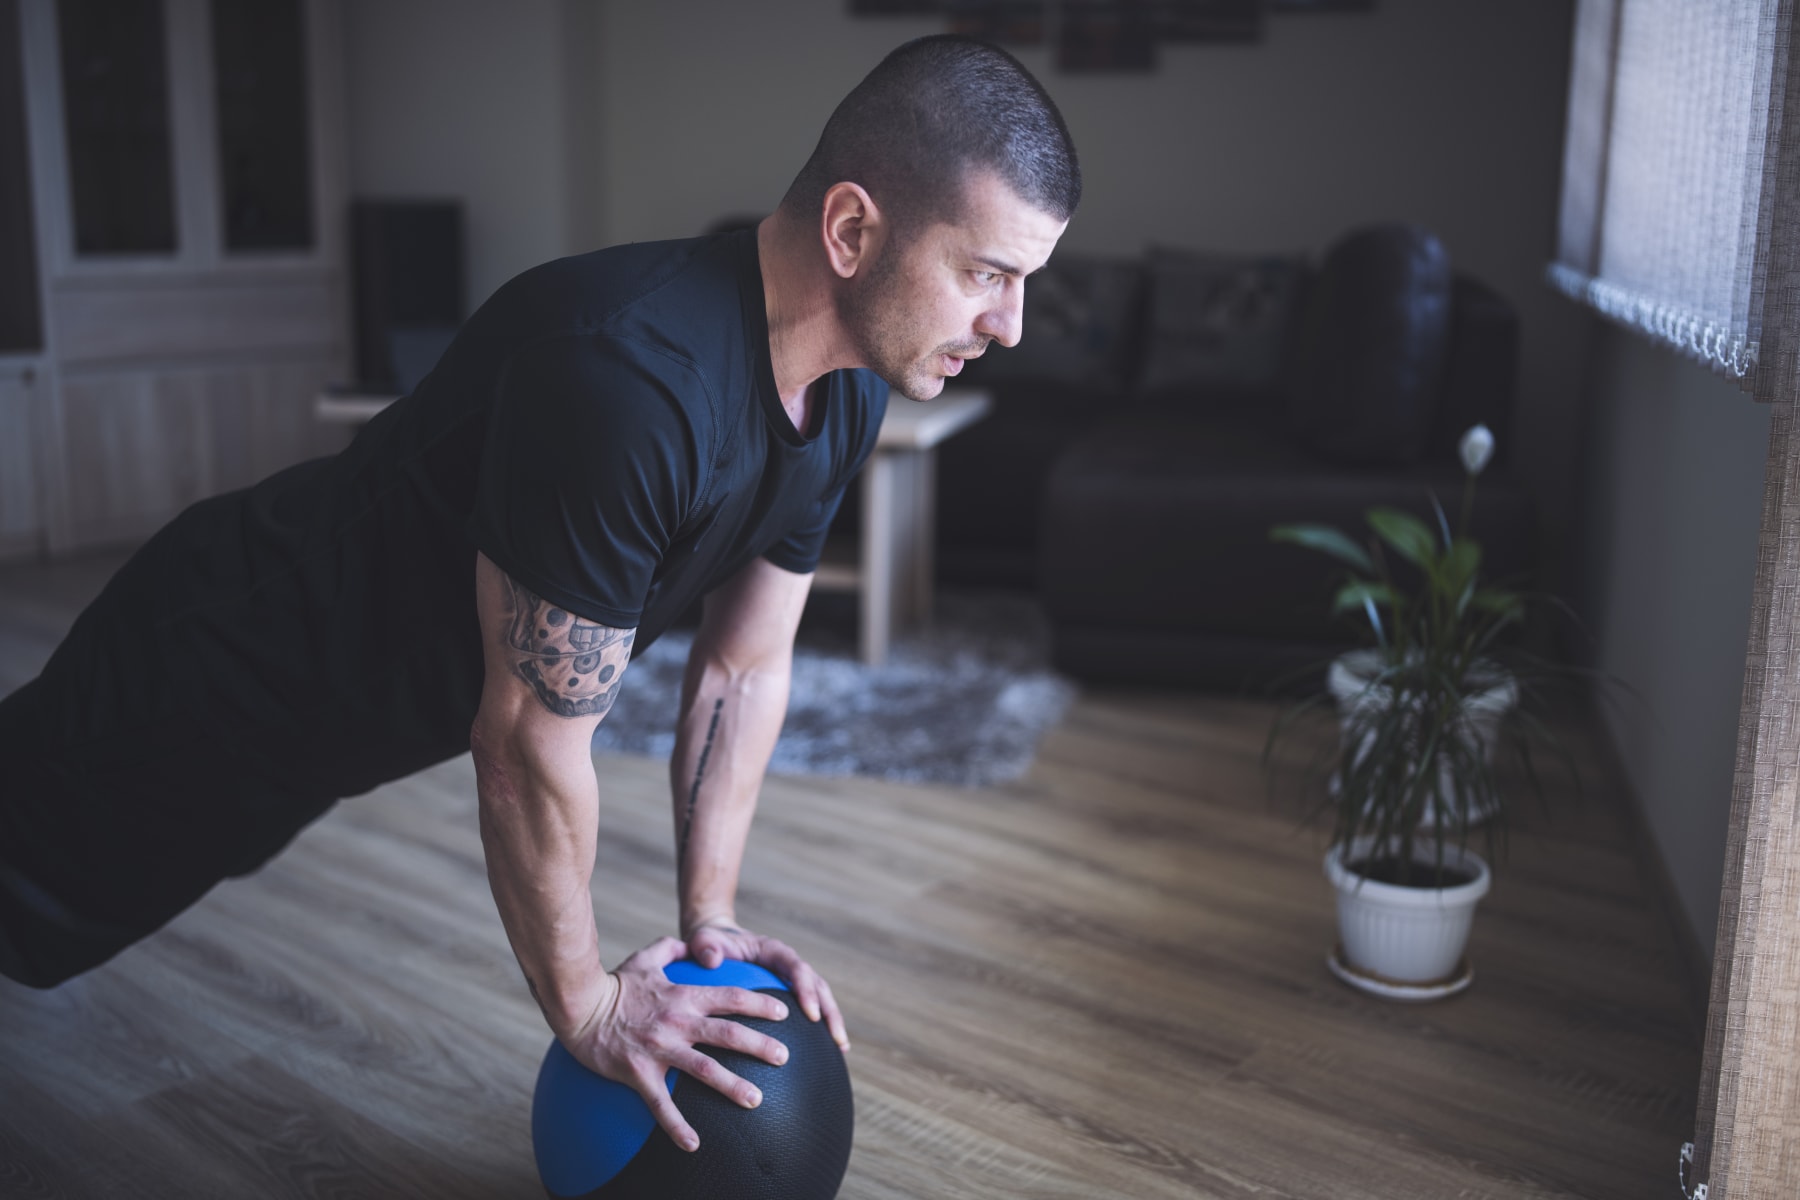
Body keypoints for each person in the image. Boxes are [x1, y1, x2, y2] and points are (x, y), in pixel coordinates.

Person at [0, 34, 1078, 1151]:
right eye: (985, 273)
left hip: (335, 725)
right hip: (217, 668)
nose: (1008, 324)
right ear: (853, 231)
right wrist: (591, 1007)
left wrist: (708, 922)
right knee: (29, 909)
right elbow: (522, 746)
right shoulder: (631, 384)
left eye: (1024, 283)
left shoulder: (843, 395)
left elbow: (742, 666)